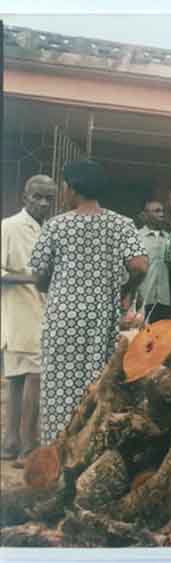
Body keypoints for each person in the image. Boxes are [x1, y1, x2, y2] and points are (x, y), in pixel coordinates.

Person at [29, 160, 148, 445]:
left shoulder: (56, 225)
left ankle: (56, 447)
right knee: (98, 383)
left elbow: (38, 274)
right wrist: (125, 289)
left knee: (59, 383)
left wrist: (50, 287)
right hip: (101, 318)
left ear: (72, 188)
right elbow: (140, 265)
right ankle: (89, 447)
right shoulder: (121, 224)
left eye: (64, 186)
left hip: (62, 318)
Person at [1, 175, 58, 464]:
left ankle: (11, 442)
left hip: (43, 312)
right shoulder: (8, 227)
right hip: (19, 312)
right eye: (38, 197)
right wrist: (31, 279)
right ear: (25, 197)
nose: (43, 203)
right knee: (26, 378)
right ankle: (27, 446)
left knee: (23, 379)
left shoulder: (50, 229)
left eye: (49, 198)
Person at [136, 200, 171, 323]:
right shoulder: (137, 237)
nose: (161, 214)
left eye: (162, 211)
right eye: (157, 211)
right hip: (143, 296)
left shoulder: (168, 237)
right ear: (146, 214)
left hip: (163, 297)